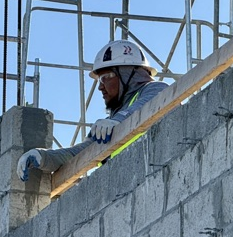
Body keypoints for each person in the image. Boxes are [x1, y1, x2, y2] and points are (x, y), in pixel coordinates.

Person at [17, 40, 168, 181]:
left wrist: (117, 121)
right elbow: (81, 152)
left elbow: (151, 102)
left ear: (126, 74)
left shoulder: (155, 90)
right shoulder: (112, 122)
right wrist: (44, 157)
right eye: (99, 80)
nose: (100, 87)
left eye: (105, 78)